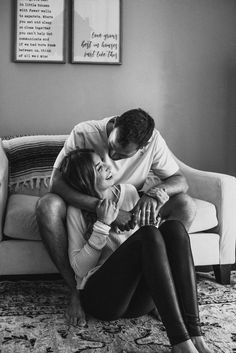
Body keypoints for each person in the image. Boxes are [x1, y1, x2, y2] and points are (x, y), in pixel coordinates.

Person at [36, 108, 196, 324]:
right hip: (90, 207)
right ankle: (75, 290)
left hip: (129, 203)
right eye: (111, 147)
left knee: (184, 206)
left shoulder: (152, 146)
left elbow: (180, 181)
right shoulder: (84, 133)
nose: (112, 158)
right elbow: (55, 182)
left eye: (121, 155)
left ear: (143, 148)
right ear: (115, 124)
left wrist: (153, 196)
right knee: (47, 205)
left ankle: (182, 319)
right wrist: (105, 212)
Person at [59, 148, 211, 353]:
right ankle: (180, 343)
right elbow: (79, 268)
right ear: (86, 180)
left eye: (102, 162)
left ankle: (195, 334)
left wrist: (157, 206)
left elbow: (150, 245)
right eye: (98, 168)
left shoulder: (129, 192)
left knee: (173, 229)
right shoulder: (76, 210)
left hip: (139, 301)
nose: (106, 166)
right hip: (104, 301)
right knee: (148, 234)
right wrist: (102, 225)